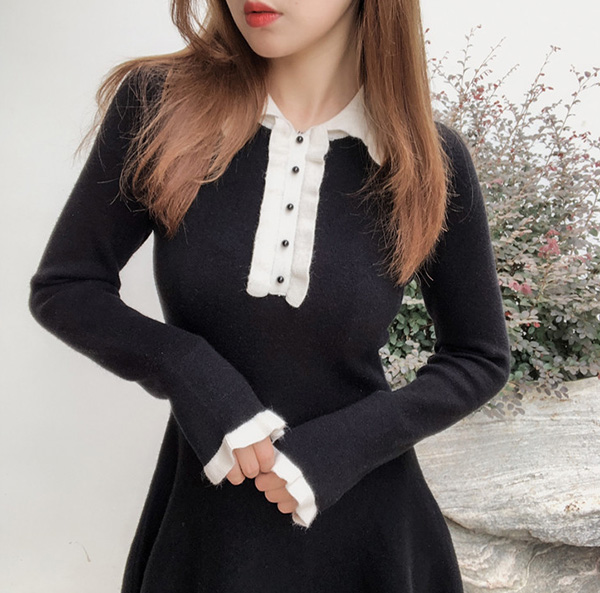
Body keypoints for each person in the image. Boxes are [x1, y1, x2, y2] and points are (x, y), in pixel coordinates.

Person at [28, 0, 511, 591]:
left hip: (372, 540)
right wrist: (192, 371)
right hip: (206, 536)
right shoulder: (160, 107)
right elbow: (66, 285)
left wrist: (342, 447)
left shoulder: (427, 160)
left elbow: (480, 356)